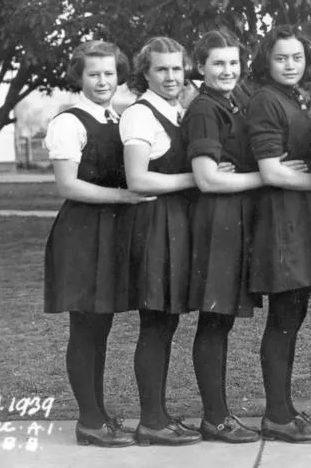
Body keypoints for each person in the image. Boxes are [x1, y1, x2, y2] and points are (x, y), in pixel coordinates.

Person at [182, 28, 304, 444]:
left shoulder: (232, 101)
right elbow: (208, 181)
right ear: (200, 67)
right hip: (217, 220)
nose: (228, 70)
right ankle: (215, 419)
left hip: (235, 219)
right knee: (215, 321)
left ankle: (223, 415)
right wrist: (266, 177)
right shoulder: (203, 108)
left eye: (233, 62)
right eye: (218, 63)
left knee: (223, 321)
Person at [44, 40, 148, 448]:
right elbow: (67, 185)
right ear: (80, 77)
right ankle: (89, 421)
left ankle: (98, 416)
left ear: (119, 73)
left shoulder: (117, 118)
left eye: (108, 73)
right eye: (93, 74)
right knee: (86, 327)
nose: (103, 80)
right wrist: (125, 197)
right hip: (83, 233)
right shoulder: (69, 122)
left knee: (99, 327)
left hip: (110, 232)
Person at [247, 24, 311, 444]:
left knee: (291, 317)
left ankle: (282, 410)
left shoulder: (289, 98)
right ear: (267, 61)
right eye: (281, 57)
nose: (290, 65)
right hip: (281, 222)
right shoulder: (267, 100)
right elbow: (271, 171)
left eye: (297, 57)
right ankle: (277, 416)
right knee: (284, 319)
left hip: (297, 218)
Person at [119, 36, 201, 446]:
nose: (172, 76)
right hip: (154, 223)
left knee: (165, 322)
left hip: (175, 222)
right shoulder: (139, 116)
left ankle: (160, 415)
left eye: (176, 68)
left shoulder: (178, 109)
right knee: (155, 323)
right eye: (162, 69)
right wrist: (198, 178)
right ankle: (151, 420)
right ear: (145, 74)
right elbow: (137, 179)